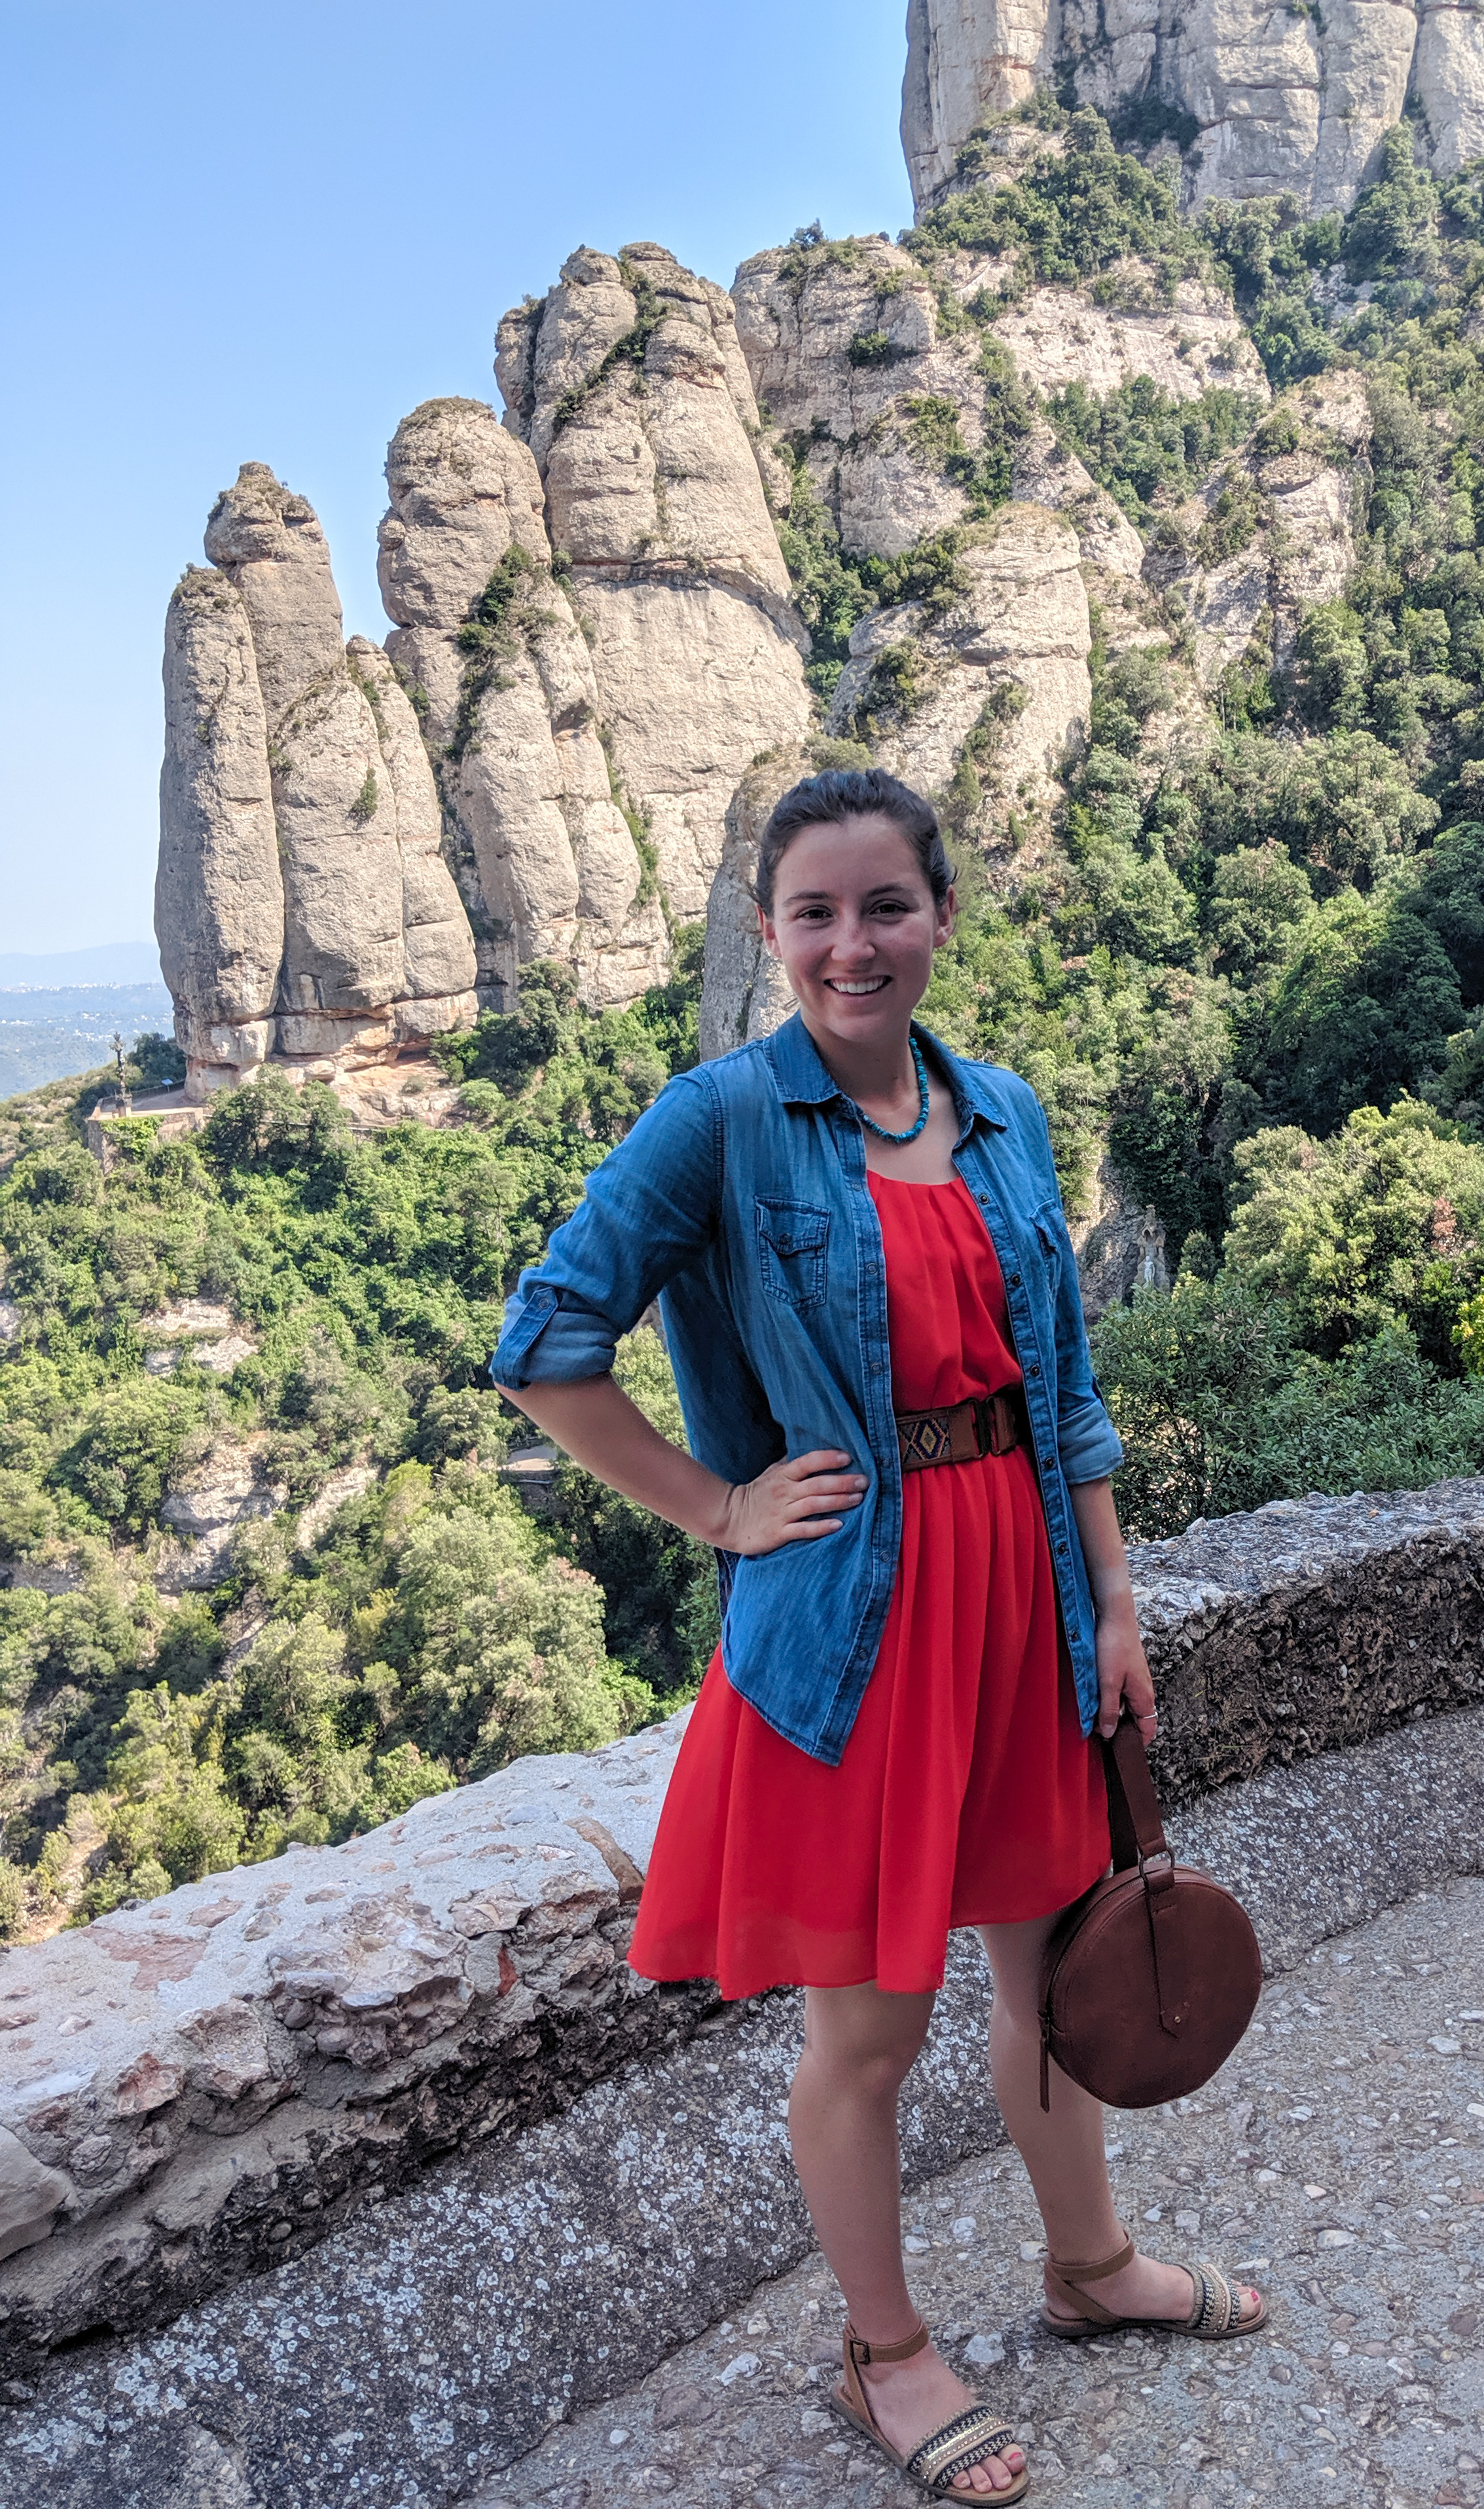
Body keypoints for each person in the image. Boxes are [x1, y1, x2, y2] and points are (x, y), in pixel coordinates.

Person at [492, 769, 1265, 2502]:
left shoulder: (1000, 1112)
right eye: (816, 914)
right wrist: (720, 1507)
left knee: (1054, 1979)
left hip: (1026, 1607)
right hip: (857, 1621)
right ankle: (885, 2351)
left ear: (940, 917)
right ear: (768, 935)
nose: (855, 944)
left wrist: (1116, 1603)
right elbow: (547, 1341)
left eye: (887, 906)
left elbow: (1062, 1389)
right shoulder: (721, 1121)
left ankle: (1087, 2272)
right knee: (871, 2027)